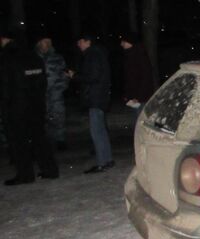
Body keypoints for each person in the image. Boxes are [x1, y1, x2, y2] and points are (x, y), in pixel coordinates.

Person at [0, 28, 59, 185]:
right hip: (36, 104)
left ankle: (25, 174)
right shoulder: (33, 57)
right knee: (40, 137)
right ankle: (50, 169)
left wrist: (5, 105)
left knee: (19, 141)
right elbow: (42, 82)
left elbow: (5, 85)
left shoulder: (6, 58)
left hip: (16, 106)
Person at [69, 34, 114, 173]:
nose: (78, 44)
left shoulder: (92, 55)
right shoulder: (98, 54)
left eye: (80, 41)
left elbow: (93, 77)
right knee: (100, 130)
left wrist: (74, 76)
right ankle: (107, 160)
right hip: (99, 97)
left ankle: (102, 162)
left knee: (96, 131)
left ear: (88, 42)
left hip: (95, 97)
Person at [35, 35, 69, 151]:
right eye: (43, 42)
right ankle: (46, 141)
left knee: (58, 116)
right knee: (43, 117)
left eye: (48, 42)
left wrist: (62, 86)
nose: (46, 45)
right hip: (40, 93)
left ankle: (60, 139)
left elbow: (65, 74)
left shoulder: (57, 58)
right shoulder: (34, 58)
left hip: (56, 92)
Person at [120, 32, 154, 117]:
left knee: (140, 120)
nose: (121, 44)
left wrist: (138, 97)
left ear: (129, 42)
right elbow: (129, 78)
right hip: (134, 97)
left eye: (123, 41)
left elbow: (146, 77)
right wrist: (128, 95)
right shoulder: (129, 55)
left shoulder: (139, 55)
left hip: (140, 98)